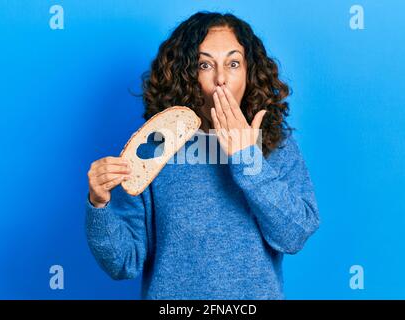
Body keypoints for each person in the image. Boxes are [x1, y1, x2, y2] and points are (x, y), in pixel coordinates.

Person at [85, 11, 320, 299]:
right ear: (187, 75)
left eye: (233, 63)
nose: (221, 79)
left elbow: (295, 235)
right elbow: (123, 262)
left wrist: (247, 158)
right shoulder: (156, 146)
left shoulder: (274, 143)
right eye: (205, 64)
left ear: (250, 72)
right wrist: (99, 203)